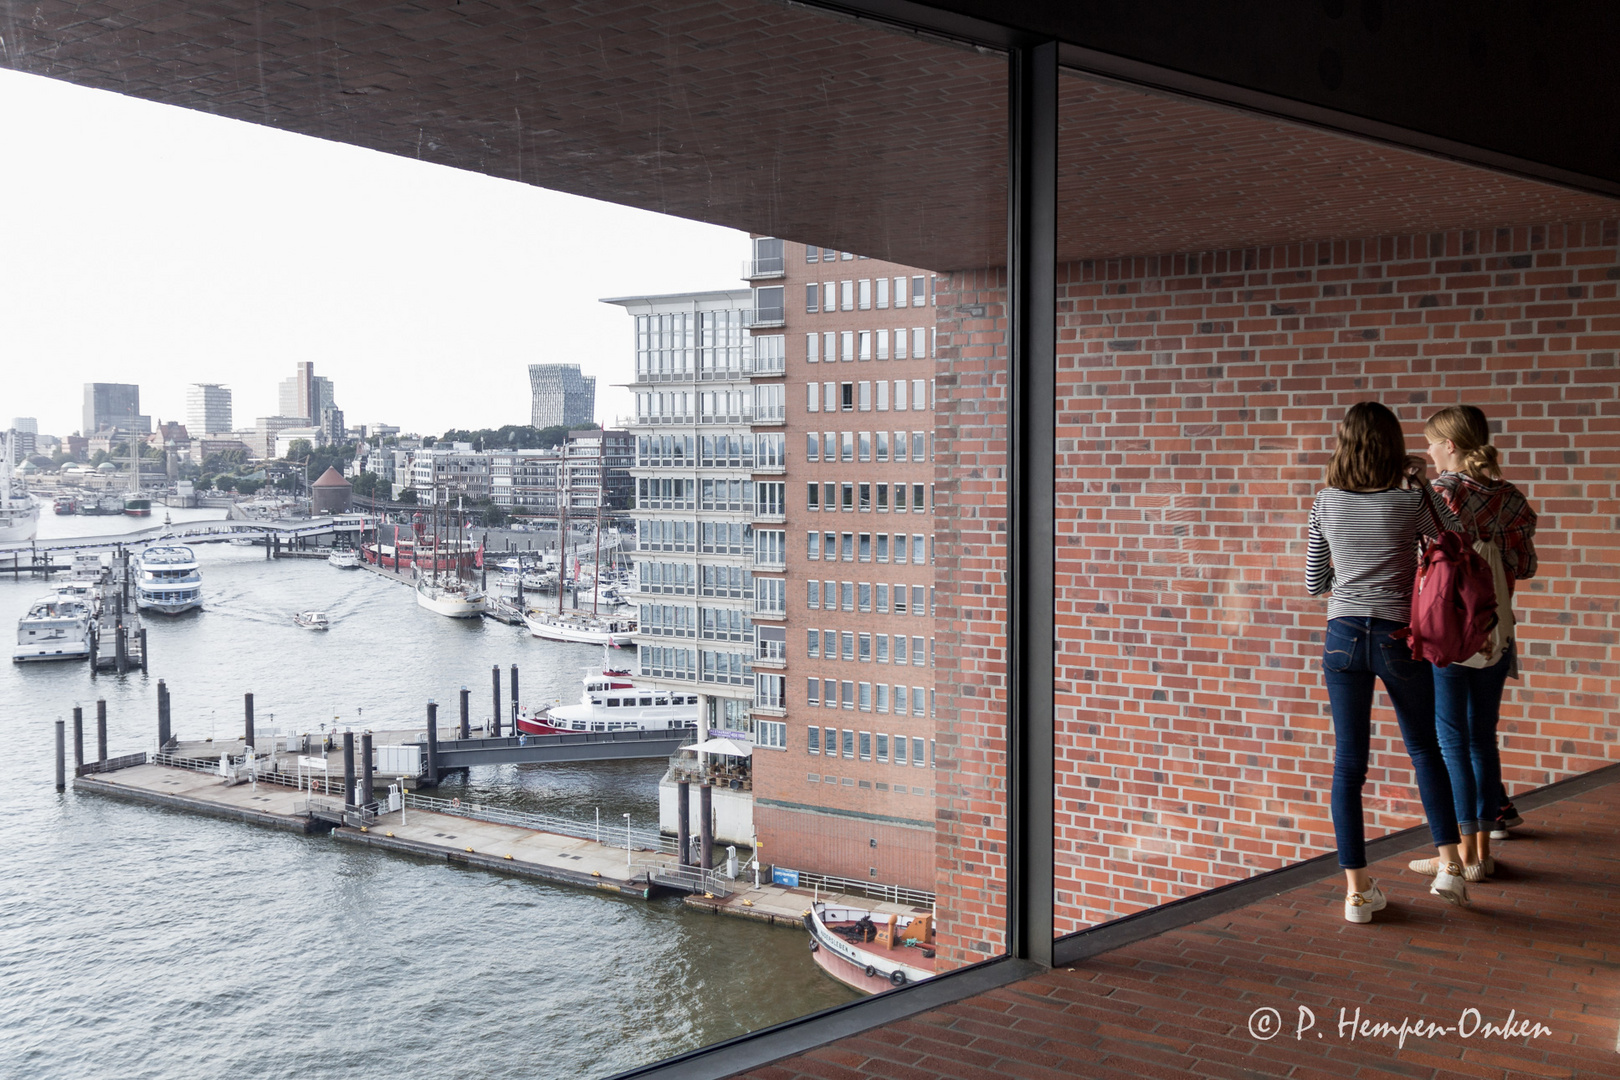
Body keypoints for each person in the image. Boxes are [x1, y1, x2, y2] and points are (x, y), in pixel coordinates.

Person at [1306, 402, 1470, 923]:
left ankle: (1357, 893)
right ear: (1394, 448)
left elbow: (1314, 582)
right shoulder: (1407, 502)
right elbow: (1453, 537)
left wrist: (1349, 586)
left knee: (1348, 764)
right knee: (1424, 748)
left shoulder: (1325, 502)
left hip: (1343, 637)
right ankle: (1449, 867)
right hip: (1399, 636)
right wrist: (1420, 484)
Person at [1408, 405, 1538, 882]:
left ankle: (1458, 857)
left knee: (1450, 743)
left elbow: (1414, 562)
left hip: (1450, 632)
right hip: (1497, 630)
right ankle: (1482, 855)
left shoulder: (1439, 493)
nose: (1427, 450)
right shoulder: (1513, 499)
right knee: (1482, 738)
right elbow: (1526, 567)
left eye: (1431, 442)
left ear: (1452, 447)